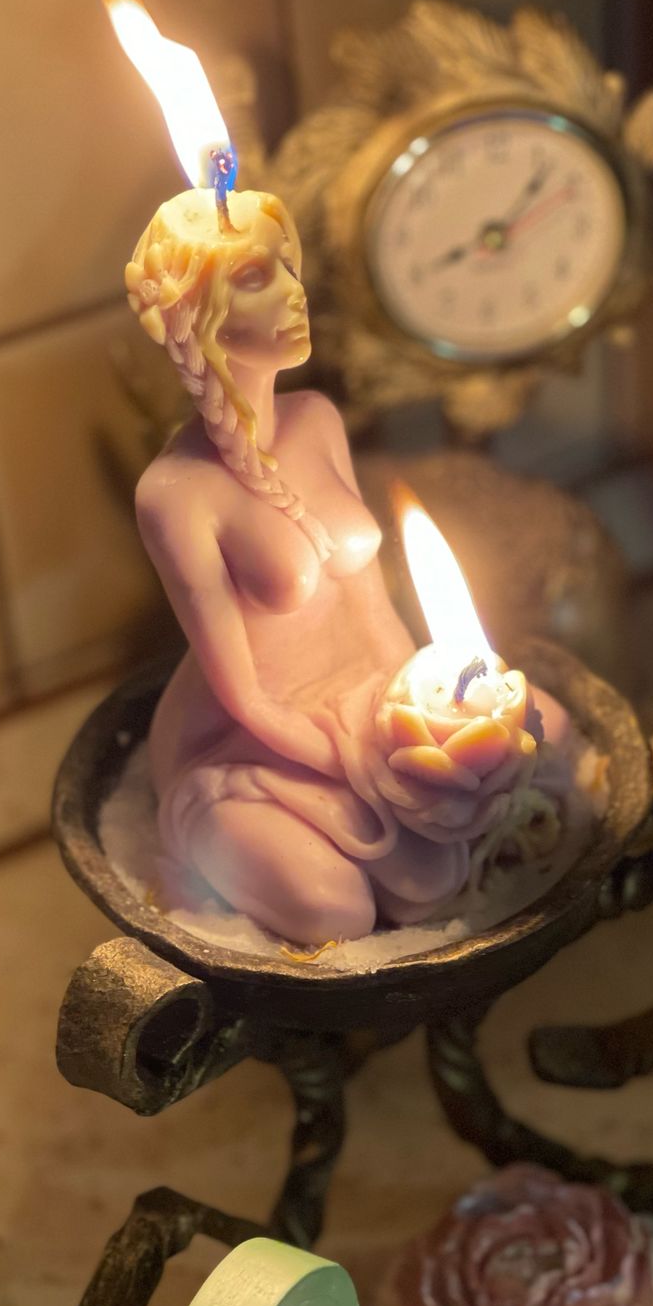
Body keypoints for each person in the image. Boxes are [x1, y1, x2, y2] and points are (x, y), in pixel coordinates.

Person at [126, 189, 470, 945]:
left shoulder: (317, 419)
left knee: (490, 801)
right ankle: (221, 838)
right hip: (254, 744)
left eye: (288, 265)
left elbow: (371, 604)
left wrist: (409, 708)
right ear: (193, 313)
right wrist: (356, 762)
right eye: (255, 277)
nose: (293, 292)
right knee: (334, 909)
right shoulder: (176, 495)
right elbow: (243, 693)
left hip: (358, 703)